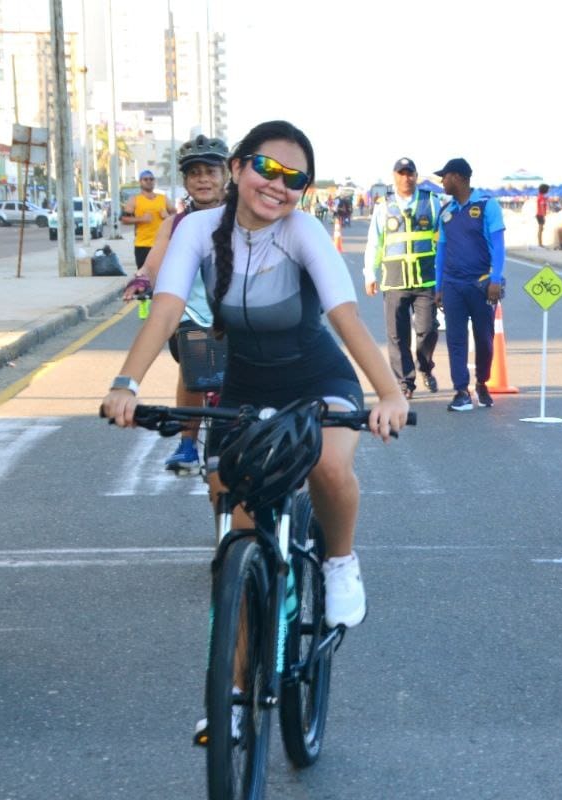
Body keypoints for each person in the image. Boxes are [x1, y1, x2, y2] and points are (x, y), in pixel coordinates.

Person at [102, 120, 409, 635]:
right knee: (232, 525)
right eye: (267, 168)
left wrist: (390, 394)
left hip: (317, 378)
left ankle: (339, 562)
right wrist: (125, 385)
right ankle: (237, 705)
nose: (278, 185)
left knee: (328, 467)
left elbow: (345, 317)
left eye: (295, 180)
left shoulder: (303, 230)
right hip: (245, 382)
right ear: (239, 169)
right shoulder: (197, 230)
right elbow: (166, 310)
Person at [122, 134, 230, 473]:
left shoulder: (242, 217)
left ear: (226, 175)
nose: (203, 179)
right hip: (191, 314)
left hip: (237, 314)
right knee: (192, 364)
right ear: (185, 180)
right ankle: (187, 443)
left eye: (210, 172)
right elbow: (155, 260)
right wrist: (143, 278)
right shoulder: (177, 222)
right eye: (194, 173)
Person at [363, 157, 441, 399]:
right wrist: (370, 273)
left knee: (427, 330)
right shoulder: (383, 206)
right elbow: (375, 242)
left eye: (410, 173)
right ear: (394, 176)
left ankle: (425, 367)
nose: (406, 178)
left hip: (425, 278)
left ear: (416, 176)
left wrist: (444, 276)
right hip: (394, 279)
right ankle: (404, 383)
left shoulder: (432, 202)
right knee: (397, 334)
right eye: (401, 173)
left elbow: (443, 240)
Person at [432, 157, 506, 412]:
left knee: (484, 339)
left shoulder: (487, 206)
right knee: (455, 338)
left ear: (461, 178)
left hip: (481, 283)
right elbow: (441, 252)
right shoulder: (446, 212)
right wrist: (438, 286)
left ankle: (482, 382)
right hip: (452, 284)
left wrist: (496, 279)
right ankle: (461, 390)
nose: (442, 181)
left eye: (446, 176)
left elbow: (498, 245)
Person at [121, 169, 170, 269]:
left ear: (154, 181)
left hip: (161, 244)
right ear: (140, 182)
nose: (149, 181)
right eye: (145, 179)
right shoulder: (134, 199)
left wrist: (168, 217)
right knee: (144, 277)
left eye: (151, 179)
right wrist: (141, 219)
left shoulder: (163, 198)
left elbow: (177, 216)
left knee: (162, 275)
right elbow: (124, 219)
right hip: (142, 245)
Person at [535, 182, 550, 247]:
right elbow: (541, 206)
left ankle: (540, 242)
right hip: (540, 214)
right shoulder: (541, 197)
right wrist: (543, 214)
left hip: (539, 214)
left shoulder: (540, 196)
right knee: (540, 229)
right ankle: (540, 243)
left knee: (541, 229)